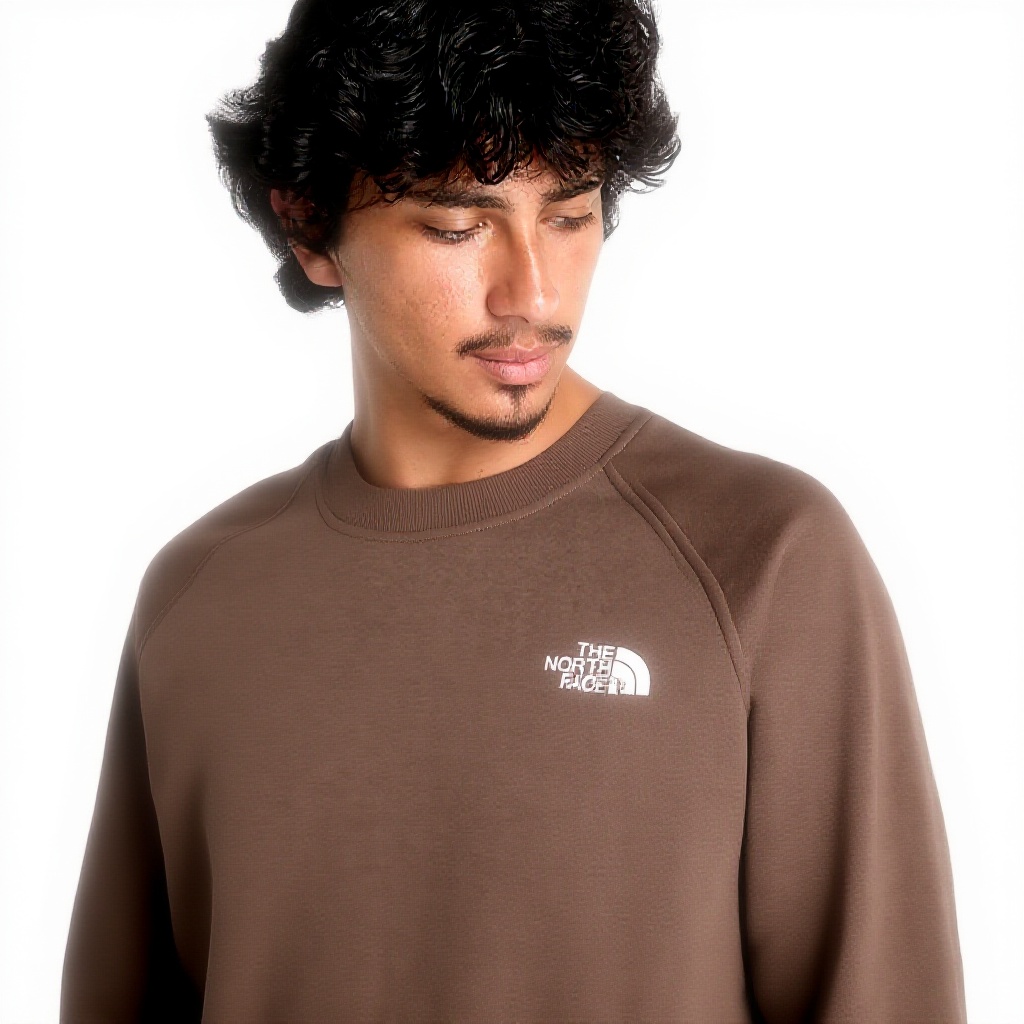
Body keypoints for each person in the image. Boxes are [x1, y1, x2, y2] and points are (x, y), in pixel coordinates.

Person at [60, 1, 968, 1020]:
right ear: (310, 226)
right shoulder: (197, 595)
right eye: (459, 225)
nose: (531, 292)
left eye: (570, 215)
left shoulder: (764, 558)